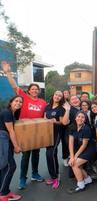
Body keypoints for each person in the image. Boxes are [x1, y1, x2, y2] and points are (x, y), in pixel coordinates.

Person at [1, 61, 47, 189]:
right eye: (32, 89)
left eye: (36, 89)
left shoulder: (43, 102)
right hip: (25, 131)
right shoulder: (24, 97)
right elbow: (14, 85)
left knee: (36, 154)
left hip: (37, 132)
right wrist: (8, 72)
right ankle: (22, 178)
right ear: (29, 90)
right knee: (26, 156)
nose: (34, 91)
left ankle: (35, 174)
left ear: (38, 91)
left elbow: (44, 116)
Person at [44, 91, 69, 189]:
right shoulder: (47, 107)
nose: (57, 96)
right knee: (50, 154)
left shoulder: (61, 108)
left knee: (50, 153)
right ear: (53, 95)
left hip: (57, 133)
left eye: (60, 96)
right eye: (56, 95)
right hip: (47, 133)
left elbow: (63, 122)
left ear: (61, 98)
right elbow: (44, 119)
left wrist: (55, 121)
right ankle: (53, 175)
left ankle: (55, 177)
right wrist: (46, 121)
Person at [0, 95, 23, 201]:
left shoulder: (13, 113)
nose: (18, 103)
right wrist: (16, 146)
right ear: (11, 102)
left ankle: (4, 191)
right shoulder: (7, 113)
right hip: (2, 140)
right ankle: (3, 194)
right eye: (16, 101)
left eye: (20, 102)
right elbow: (11, 131)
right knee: (10, 166)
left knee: (5, 167)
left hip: (6, 140)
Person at [68, 111, 96, 194]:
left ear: (85, 119)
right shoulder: (72, 127)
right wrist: (72, 157)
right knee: (76, 163)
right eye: (79, 116)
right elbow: (70, 143)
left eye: (83, 117)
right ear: (75, 118)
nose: (80, 118)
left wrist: (75, 157)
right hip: (81, 150)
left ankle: (81, 186)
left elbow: (84, 145)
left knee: (75, 164)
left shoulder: (86, 128)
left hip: (90, 150)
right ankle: (88, 180)